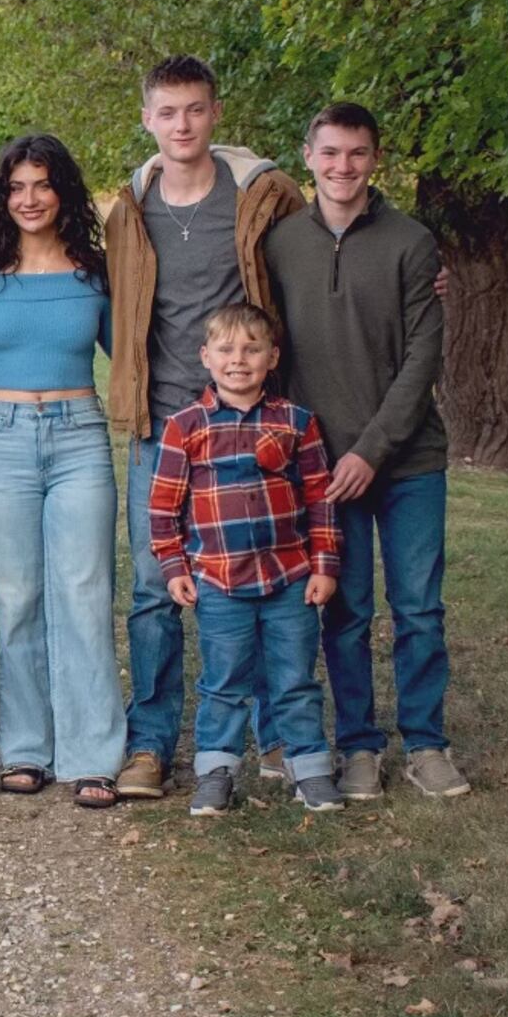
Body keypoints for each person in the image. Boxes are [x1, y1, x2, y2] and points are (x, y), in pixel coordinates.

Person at [104, 55, 307, 799]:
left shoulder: (262, 198)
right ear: (148, 119)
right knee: (156, 588)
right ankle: (152, 743)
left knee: (257, 574)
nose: (181, 125)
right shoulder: (130, 208)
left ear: (215, 112)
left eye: (194, 109)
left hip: (247, 425)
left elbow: (317, 259)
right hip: (162, 425)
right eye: (166, 112)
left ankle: (275, 735)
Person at [267, 102, 468, 799]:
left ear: (375, 159)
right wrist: (315, 452)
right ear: (308, 155)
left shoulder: (413, 242)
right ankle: (357, 745)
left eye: (356, 153)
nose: (342, 166)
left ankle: (426, 742)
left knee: (417, 607)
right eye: (330, 153)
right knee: (345, 608)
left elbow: (422, 358)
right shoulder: (281, 242)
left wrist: (372, 450)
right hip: (322, 463)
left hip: (407, 460)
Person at [0, 134, 124, 810]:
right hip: (1, 438)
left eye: (43, 185)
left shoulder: (96, 270)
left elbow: (141, 345)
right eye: (16, 187)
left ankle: (92, 753)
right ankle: (26, 746)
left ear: (64, 193)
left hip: (80, 435)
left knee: (84, 592)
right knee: (17, 594)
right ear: (2, 198)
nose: (30, 199)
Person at [148, 303, 346, 817]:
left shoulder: (296, 423)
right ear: (206, 357)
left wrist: (324, 563)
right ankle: (217, 772)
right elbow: (164, 508)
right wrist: (175, 568)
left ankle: (311, 770)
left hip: (289, 579)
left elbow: (321, 499)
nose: (239, 360)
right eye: (227, 349)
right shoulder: (185, 427)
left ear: (272, 356)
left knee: (295, 679)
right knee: (223, 682)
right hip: (218, 579)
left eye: (252, 349)